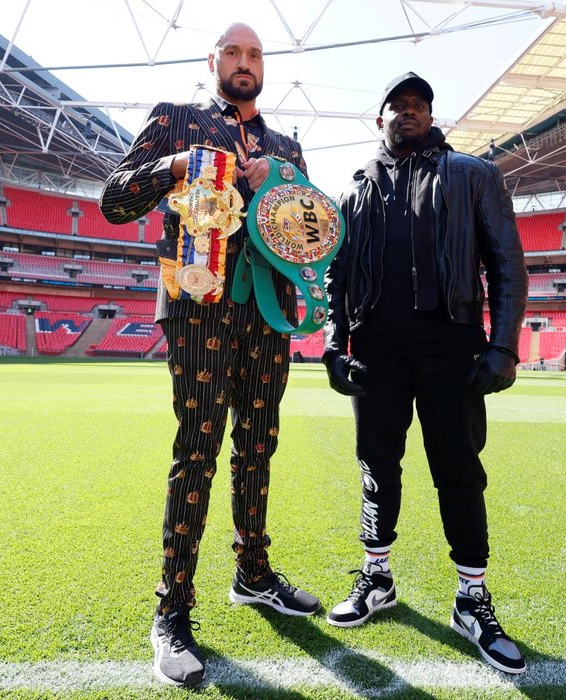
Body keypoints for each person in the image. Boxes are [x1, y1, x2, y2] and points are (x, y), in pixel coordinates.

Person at [99, 23, 320, 688]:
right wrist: (172, 167)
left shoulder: (288, 145)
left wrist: (280, 182)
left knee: (259, 443)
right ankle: (171, 613)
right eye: (233, 52)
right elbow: (112, 199)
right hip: (197, 302)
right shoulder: (176, 120)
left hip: (268, 307)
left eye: (255, 54)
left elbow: (304, 229)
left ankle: (253, 574)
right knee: (197, 445)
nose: (245, 62)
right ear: (213, 62)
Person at [321, 72, 529, 675]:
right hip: (376, 353)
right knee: (377, 468)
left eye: (419, 106)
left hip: (452, 348)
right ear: (378, 119)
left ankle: (472, 597)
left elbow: (506, 263)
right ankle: (377, 577)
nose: (408, 113)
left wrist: (503, 347)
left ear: (433, 116)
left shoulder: (473, 175)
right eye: (397, 106)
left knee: (458, 471)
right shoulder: (354, 189)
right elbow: (335, 276)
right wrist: (336, 347)